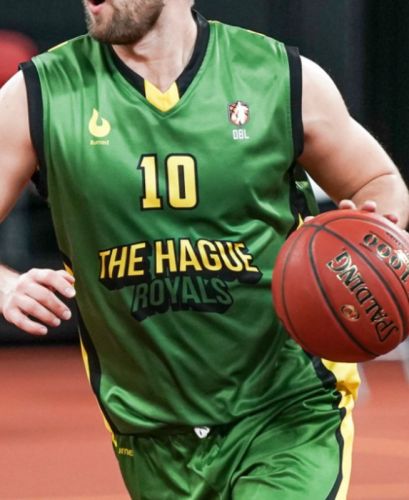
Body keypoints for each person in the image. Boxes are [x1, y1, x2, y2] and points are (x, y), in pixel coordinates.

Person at [0, 1, 408, 498]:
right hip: (149, 431)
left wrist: (375, 237)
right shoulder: (39, 93)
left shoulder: (279, 76)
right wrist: (5, 285)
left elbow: (376, 180)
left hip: (286, 410)